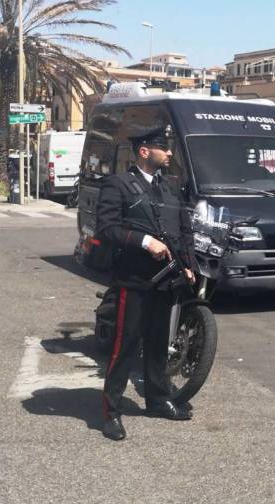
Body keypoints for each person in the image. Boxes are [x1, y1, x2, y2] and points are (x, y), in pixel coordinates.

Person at [95, 125, 198, 441]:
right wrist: (143, 241)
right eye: (163, 148)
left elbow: (183, 232)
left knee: (157, 345)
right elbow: (106, 228)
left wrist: (190, 266)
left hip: (166, 282)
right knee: (125, 347)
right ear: (144, 151)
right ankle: (111, 412)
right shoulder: (119, 185)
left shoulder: (169, 188)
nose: (169, 153)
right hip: (135, 280)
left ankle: (156, 400)